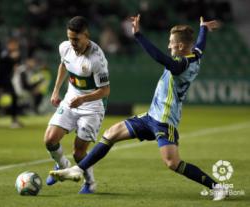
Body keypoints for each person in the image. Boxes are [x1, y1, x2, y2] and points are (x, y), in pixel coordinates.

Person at [50, 15, 226, 201]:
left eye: (171, 43)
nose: (169, 46)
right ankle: (77, 170)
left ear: (181, 47)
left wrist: (139, 35)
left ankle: (217, 187)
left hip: (164, 121)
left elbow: (161, 58)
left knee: (172, 163)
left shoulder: (182, 65)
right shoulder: (195, 56)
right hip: (151, 116)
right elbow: (200, 46)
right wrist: (203, 29)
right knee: (111, 133)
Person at [44, 16, 110, 194]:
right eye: (69, 38)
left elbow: (105, 91)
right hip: (71, 99)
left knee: (78, 152)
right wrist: (56, 90)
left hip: (92, 107)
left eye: (76, 39)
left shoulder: (97, 59)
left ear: (86, 36)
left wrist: (83, 99)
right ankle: (62, 166)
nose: (72, 42)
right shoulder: (64, 48)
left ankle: (90, 183)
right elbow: (63, 65)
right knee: (50, 139)